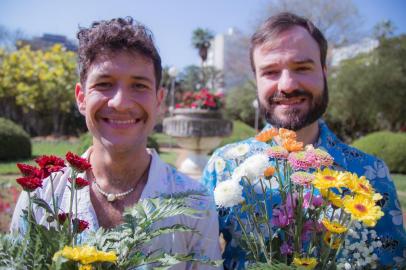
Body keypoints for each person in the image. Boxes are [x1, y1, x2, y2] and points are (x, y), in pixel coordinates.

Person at [11, 17, 221, 269]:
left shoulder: (195, 204)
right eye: (104, 84)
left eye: (139, 85)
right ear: (81, 97)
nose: (120, 103)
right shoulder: (42, 194)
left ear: (159, 100)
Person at [202, 12, 406, 269]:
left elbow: (393, 262)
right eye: (271, 72)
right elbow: (199, 259)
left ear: (324, 71)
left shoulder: (371, 174)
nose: (286, 85)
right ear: (256, 80)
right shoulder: (223, 167)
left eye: (302, 68)